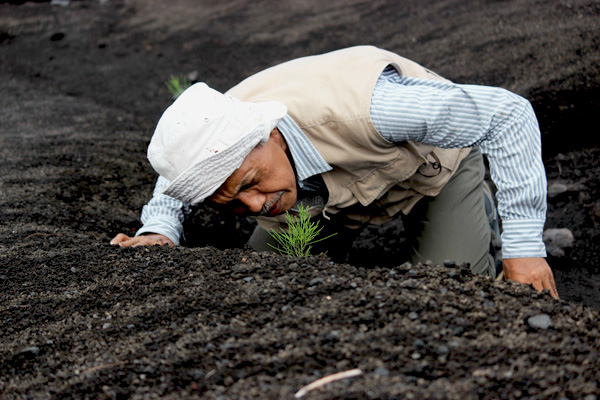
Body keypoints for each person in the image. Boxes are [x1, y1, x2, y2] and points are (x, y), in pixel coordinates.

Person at [111, 46, 558, 298]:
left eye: (249, 183)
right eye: (230, 203)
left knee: (454, 291)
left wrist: (525, 250)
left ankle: (477, 209)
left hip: (428, 172)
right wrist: (159, 229)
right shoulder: (211, 135)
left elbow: (508, 115)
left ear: (271, 135)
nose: (254, 204)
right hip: (318, 200)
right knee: (265, 287)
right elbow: (176, 176)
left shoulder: (371, 107)